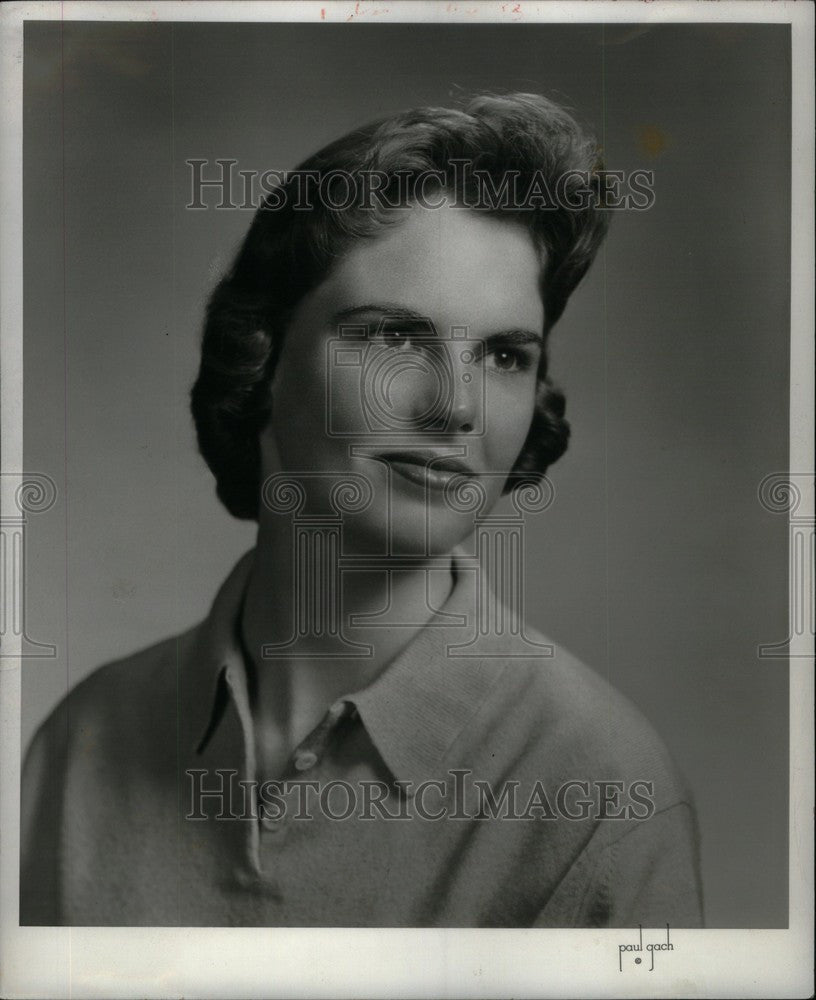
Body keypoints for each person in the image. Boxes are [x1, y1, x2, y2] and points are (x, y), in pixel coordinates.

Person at [21, 93, 704, 927]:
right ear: (260, 360)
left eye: (503, 355)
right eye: (394, 338)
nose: (456, 406)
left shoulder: (599, 797)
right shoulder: (79, 744)